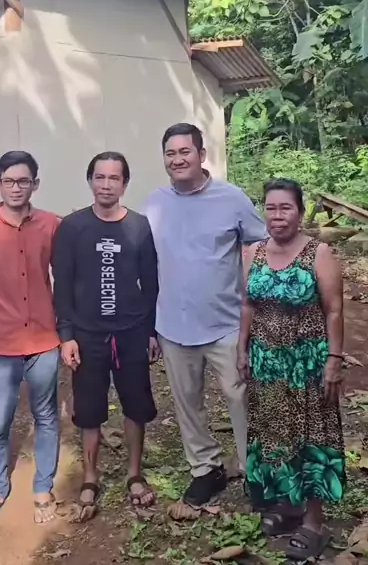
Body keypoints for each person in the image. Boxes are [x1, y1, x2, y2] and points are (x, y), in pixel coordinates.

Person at [142, 123, 266, 508]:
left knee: (240, 397)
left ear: (201, 154)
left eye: (185, 151)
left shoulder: (231, 198)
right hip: (173, 325)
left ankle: (254, 470)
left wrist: (255, 301)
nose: (177, 159)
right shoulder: (155, 204)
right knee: (187, 402)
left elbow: (260, 243)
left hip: (226, 323)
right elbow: (145, 263)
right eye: (170, 153)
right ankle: (205, 468)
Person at [238, 178, 345, 559]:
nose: (277, 215)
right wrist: (242, 349)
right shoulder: (253, 252)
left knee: (312, 437)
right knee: (274, 432)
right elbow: (248, 305)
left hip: (307, 363)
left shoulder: (319, 253)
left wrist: (334, 360)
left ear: (299, 213)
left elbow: (334, 310)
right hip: (267, 362)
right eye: (271, 208)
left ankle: (314, 523)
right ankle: (289, 504)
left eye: (286, 208)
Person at [52, 151, 159, 521]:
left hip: (131, 333)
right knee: (89, 411)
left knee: (136, 405)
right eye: (100, 177)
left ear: (125, 184)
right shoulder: (72, 227)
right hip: (87, 335)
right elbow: (63, 285)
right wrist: (66, 335)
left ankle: (134, 474)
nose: (106, 184)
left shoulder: (139, 226)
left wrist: (151, 331)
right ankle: (90, 477)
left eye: (114, 178)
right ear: (90, 181)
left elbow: (151, 284)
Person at [0, 150, 61, 528]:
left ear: (35, 184)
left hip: (45, 342)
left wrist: (68, 333)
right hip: (3, 346)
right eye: (9, 181)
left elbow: (66, 278)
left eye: (23, 181)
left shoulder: (52, 225)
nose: (16, 187)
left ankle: (43, 488)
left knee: (46, 417)